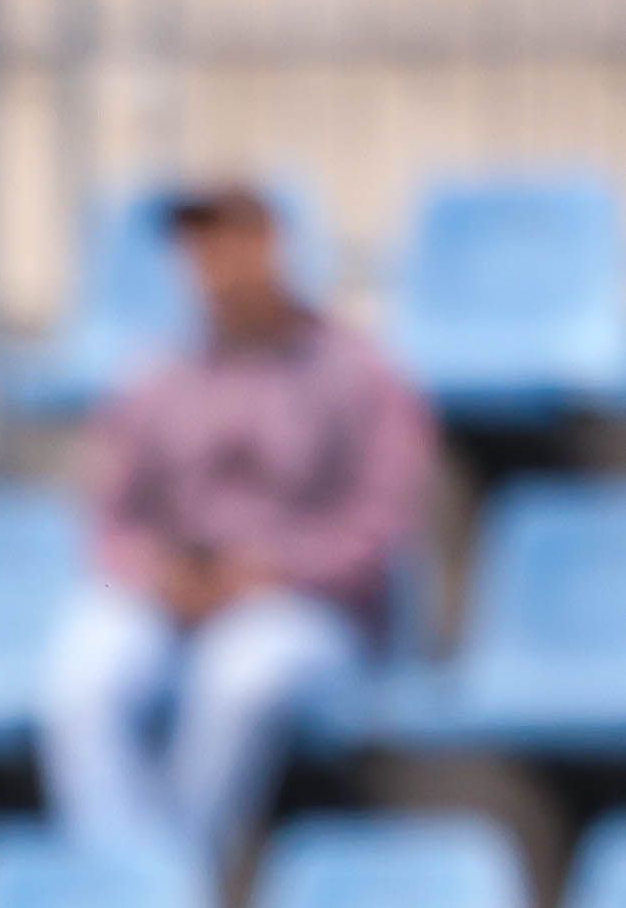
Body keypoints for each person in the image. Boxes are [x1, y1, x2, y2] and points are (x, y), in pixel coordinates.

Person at [39, 182, 440, 865]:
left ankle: (179, 880)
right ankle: (121, 880)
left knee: (239, 674)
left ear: (274, 247)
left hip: (307, 609)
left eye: (232, 241)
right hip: (173, 601)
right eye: (199, 247)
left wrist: (274, 572)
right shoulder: (156, 378)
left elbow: (380, 525)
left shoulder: (359, 373)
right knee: (80, 675)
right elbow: (110, 523)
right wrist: (157, 574)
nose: (215, 264)